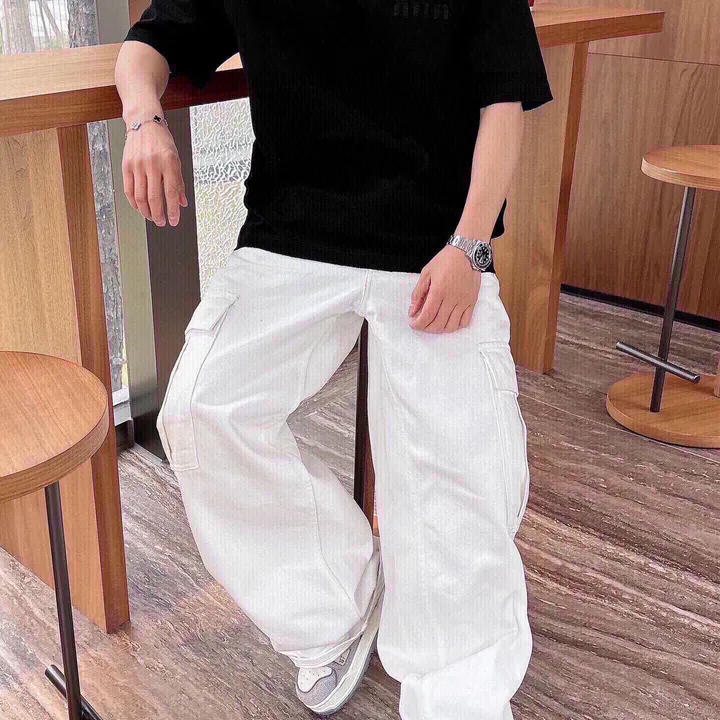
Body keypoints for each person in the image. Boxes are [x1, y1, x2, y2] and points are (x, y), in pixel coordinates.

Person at [116, 1, 552, 717]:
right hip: (292, 233)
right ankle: (335, 609)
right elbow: (150, 42)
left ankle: (459, 690)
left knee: (457, 466)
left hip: (434, 246)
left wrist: (472, 246)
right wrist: (143, 120)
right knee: (200, 409)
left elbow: (502, 99)